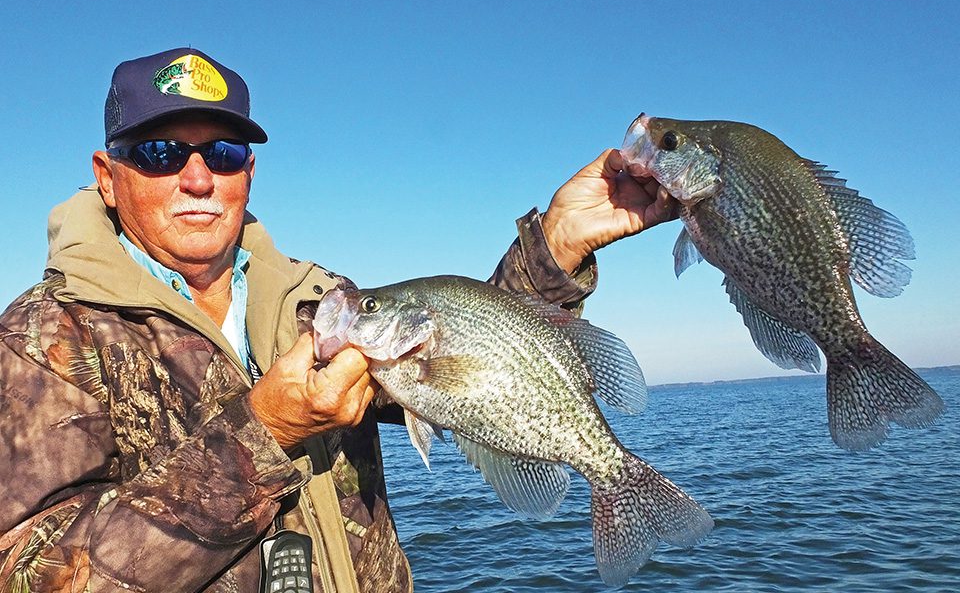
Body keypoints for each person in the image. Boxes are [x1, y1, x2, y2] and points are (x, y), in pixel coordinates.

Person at [0, 48, 676, 593]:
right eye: (160, 153)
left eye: (224, 153)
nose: (199, 178)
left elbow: (464, 357)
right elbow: (30, 577)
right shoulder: (43, 340)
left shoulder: (315, 301)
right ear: (108, 175)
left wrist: (556, 245)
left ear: (249, 172)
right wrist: (262, 435)